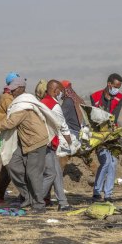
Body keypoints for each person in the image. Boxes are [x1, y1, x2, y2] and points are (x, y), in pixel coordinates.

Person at [0, 77, 60, 213]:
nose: (11, 92)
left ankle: (39, 205)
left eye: (14, 89)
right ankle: (27, 196)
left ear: (21, 89)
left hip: (35, 142)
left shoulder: (23, 105)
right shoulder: (20, 102)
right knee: (12, 163)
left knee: (33, 173)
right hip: (24, 142)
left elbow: (10, 123)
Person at [89, 73, 122, 202]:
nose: (117, 89)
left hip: (113, 134)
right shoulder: (95, 97)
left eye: (119, 87)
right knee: (106, 162)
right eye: (115, 86)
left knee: (113, 163)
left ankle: (108, 194)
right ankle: (97, 192)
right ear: (109, 84)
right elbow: (96, 116)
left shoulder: (120, 97)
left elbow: (114, 116)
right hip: (99, 134)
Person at [40, 80, 74, 211]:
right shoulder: (55, 106)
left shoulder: (42, 102)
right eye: (60, 91)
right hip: (48, 143)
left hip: (45, 142)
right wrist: (71, 143)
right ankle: (36, 199)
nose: (61, 94)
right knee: (51, 174)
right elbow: (63, 126)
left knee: (57, 172)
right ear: (55, 91)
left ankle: (63, 202)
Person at [0, 72, 22, 205]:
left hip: (13, 134)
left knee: (13, 165)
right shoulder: (7, 98)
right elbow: (14, 115)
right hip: (8, 134)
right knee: (9, 166)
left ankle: (22, 195)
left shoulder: (10, 96)